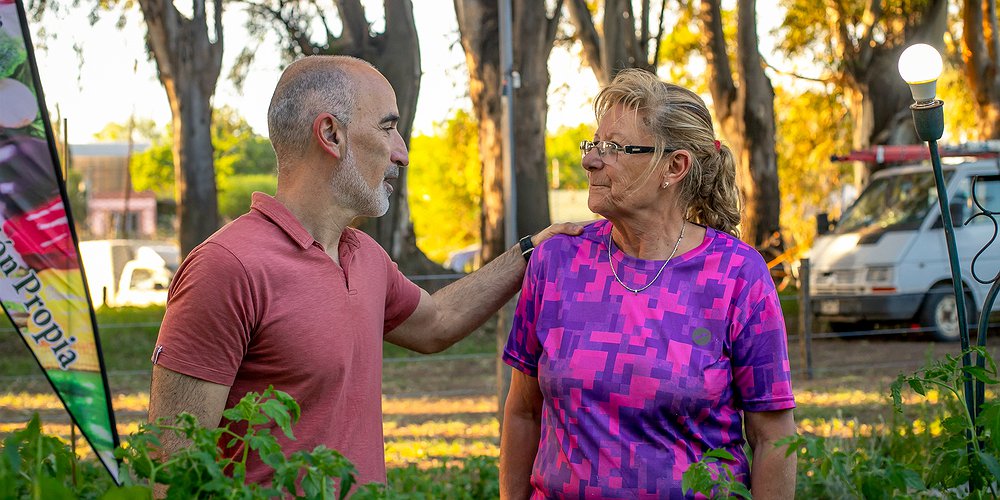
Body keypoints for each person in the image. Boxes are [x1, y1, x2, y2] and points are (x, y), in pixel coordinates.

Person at [147, 55, 581, 488]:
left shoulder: (365, 257)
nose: (402, 153)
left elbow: (437, 322)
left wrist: (528, 253)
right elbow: (173, 470)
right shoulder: (225, 268)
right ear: (331, 134)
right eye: (388, 128)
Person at [499, 69, 796, 499]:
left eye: (614, 147)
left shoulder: (736, 275)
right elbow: (523, 411)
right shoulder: (556, 260)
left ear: (673, 167)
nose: (589, 160)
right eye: (593, 144)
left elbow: (774, 438)